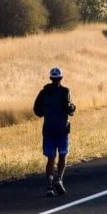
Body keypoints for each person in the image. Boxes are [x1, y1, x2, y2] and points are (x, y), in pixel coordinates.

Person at [33, 67, 76, 196]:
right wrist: (73, 108)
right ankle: (59, 179)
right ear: (61, 78)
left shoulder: (43, 92)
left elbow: (37, 110)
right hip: (62, 129)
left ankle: (49, 185)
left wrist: (46, 112)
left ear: (50, 78)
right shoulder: (65, 91)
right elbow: (69, 108)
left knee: (51, 158)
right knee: (62, 155)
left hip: (48, 130)